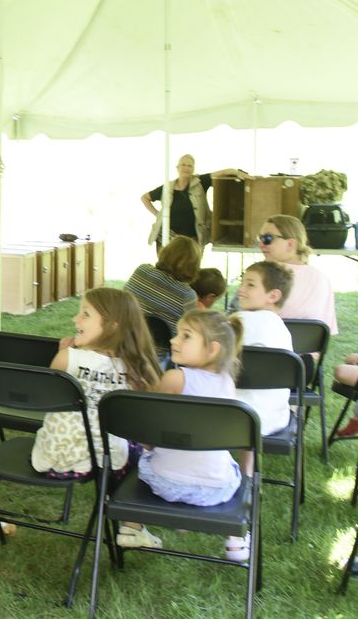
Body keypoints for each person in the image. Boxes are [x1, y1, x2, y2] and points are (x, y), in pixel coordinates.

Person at [30, 288, 162, 548]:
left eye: (85, 314)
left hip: (54, 457)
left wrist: (63, 355)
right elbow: (152, 415)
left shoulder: (67, 357)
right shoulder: (137, 369)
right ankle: (132, 525)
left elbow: (45, 397)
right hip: (110, 461)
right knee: (143, 448)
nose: (75, 320)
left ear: (112, 326)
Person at [151, 310, 250, 562]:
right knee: (227, 463)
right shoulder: (227, 382)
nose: (174, 340)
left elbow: (149, 425)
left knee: (143, 451)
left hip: (165, 483)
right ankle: (235, 541)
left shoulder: (174, 378)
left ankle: (131, 526)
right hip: (215, 489)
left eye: (185, 336)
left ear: (212, 349)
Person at [231, 260, 294, 437]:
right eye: (242, 282)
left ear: (273, 296)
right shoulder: (282, 330)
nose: (240, 289)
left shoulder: (238, 321)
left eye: (250, 285)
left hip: (230, 415)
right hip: (272, 418)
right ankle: (248, 464)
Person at [141, 155, 245, 248]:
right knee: (166, 269)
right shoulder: (167, 187)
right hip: (168, 239)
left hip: (193, 239)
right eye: (183, 165)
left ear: (193, 169)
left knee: (191, 269)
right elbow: (145, 198)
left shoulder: (201, 181)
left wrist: (237, 173)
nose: (186, 168)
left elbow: (224, 172)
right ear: (177, 168)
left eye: (190, 166)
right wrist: (158, 214)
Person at [258, 214, 338, 334]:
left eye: (268, 239)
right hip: (309, 351)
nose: (261, 244)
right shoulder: (322, 278)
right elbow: (327, 330)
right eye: (260, 238)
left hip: (267, 350)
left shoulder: (261, 275)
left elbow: (244, 319)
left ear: (290, 244)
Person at [122, 235, 201, 327]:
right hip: (163, 340)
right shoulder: (187, 295)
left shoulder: (142, 270)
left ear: (165, 252)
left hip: (126, 334)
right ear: (193, 266)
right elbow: (192, 327)